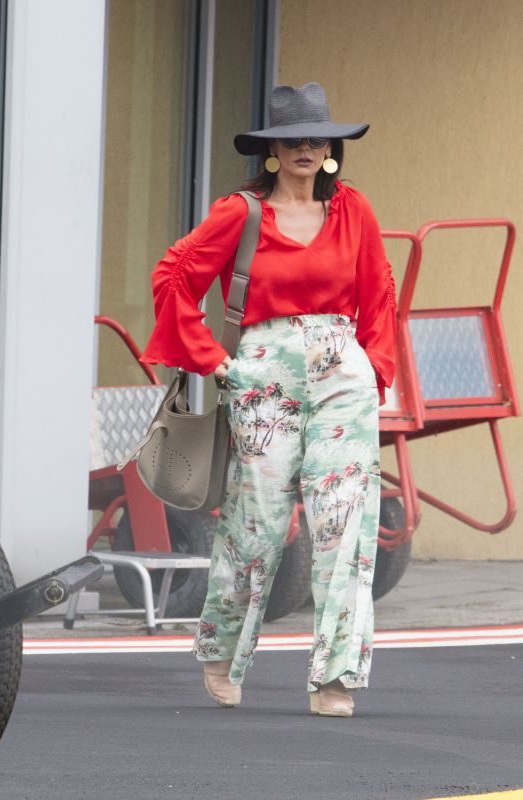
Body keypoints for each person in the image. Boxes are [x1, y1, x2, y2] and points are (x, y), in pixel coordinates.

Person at [140, 82, 396, 718]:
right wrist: (216, 362)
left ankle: (336, 676)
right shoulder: (241, 212)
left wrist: (375, 371)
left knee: (345, 527)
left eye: (318, 138)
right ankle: (223, 652)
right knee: (256, 525)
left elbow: (379, 292)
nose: (308, 147)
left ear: (332, 147)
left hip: (343, 376)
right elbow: (173, 276)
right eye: (294, 139)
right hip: (264, 377)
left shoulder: (354, 209)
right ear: (273, 150)